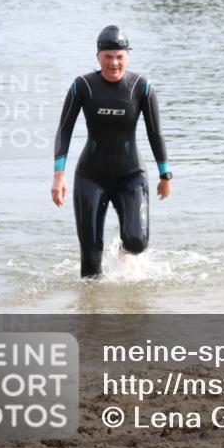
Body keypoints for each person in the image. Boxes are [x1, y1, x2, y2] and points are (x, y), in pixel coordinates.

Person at [52, 25, 173, 278]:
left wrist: (166, 175)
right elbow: (64, 131)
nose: (114, 63)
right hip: (90, 176)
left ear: (127, 56)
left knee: (136, 242)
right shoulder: (82, 86)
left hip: (131, 174)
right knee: (90, 260)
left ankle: (122, 251)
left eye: (119, 56)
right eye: (108, 56)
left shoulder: (141, 86)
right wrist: (58, 175)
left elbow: (155, 133)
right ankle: (91, 315)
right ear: (98, 56)